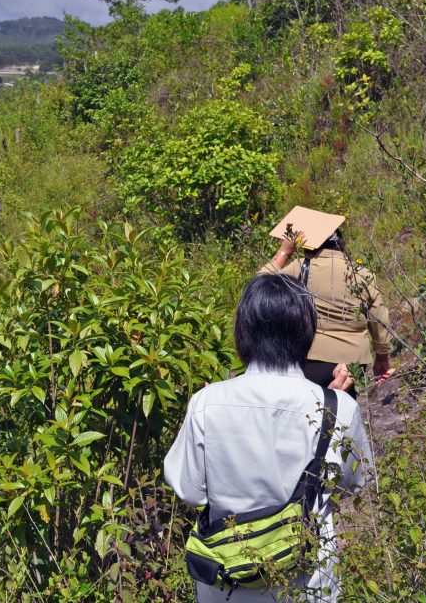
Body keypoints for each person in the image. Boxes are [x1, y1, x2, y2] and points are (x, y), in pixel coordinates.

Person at [164, 274, 372, 602]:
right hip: (308, 584)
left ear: (243, 331)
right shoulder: (337, 407)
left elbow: (189, 491)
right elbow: (355, 483)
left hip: (227, 584)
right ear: (307, 332)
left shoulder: (207, 403)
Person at [262, 225, 393, 398]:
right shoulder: (363, 274)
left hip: (310, 357)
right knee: (340, 413)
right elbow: (379, 317)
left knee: (309, 410)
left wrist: (285, 251)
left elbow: (260, 286)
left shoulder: (300, 267)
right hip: (352, 361)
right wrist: (382, 356)